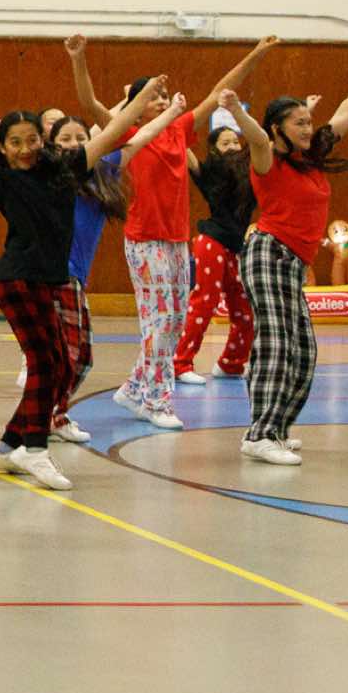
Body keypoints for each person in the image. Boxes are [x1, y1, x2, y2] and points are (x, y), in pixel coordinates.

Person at [0, 84, 165, 491]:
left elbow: (114, 129)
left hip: (45, 282)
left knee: (61, 366)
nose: (25, 149)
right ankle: (34, 448)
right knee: (47, 366)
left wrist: (143, 93)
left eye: (32, 140)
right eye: (15, 143)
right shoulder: (4, 178)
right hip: (17, 281)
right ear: (3, 147)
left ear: (43, 142)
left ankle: (7, 446)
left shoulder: (67, 171)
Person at [69, 34, 279, 429]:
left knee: (175, 320)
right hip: (144, 240)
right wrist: (78, 59)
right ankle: (155, 400)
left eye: (164, 96)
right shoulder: (128, 134)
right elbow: (88, 103)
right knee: (159, 321)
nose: (162, 102)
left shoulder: (179, 129)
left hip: (178, 240)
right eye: (154, 97)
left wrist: (255, 54)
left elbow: (218, 93)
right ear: (136, 106)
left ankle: (134, 387)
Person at [225, 88, 348, 465]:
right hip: (269, 254)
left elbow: (344, 114)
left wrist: (314, 118)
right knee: (277, 343)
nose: (309, 129)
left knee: (305, 352)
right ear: (278, 129)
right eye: (299, 123)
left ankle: (274, 427)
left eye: (309, 122)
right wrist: (236, 110)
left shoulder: (309, 157)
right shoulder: (267, 157)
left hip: (292, 264)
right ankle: (260, 435)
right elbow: (256, 135)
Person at [175, 116, 264, 385]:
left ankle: (232, 363)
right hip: (211, 242)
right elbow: (182, 147)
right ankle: (180, 363)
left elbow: (264, 145)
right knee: (205, 303)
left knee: (245, 310)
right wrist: (170, 121)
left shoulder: (251, 174)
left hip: (236, 248)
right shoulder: (207, 173)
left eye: (236, 141)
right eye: (226, 143)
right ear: (214, 150)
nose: (233, 146)